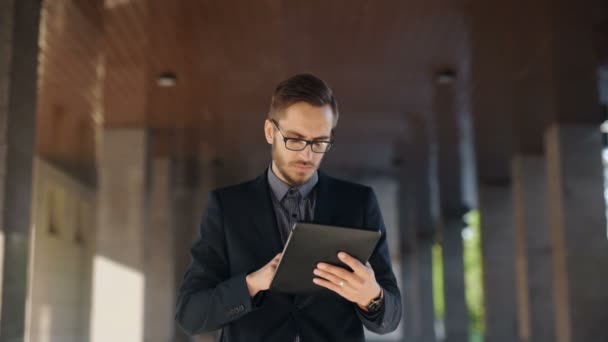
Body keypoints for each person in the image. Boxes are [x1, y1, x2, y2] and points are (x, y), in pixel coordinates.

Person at [175, 73, 402, 341]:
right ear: (270, 132)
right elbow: (190, 314)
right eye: (295, 139)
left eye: (319, 142)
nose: (307, 154)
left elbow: (391, 317)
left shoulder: (359, 203)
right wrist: (251, 285)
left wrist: (371, 298)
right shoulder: (227, 208)